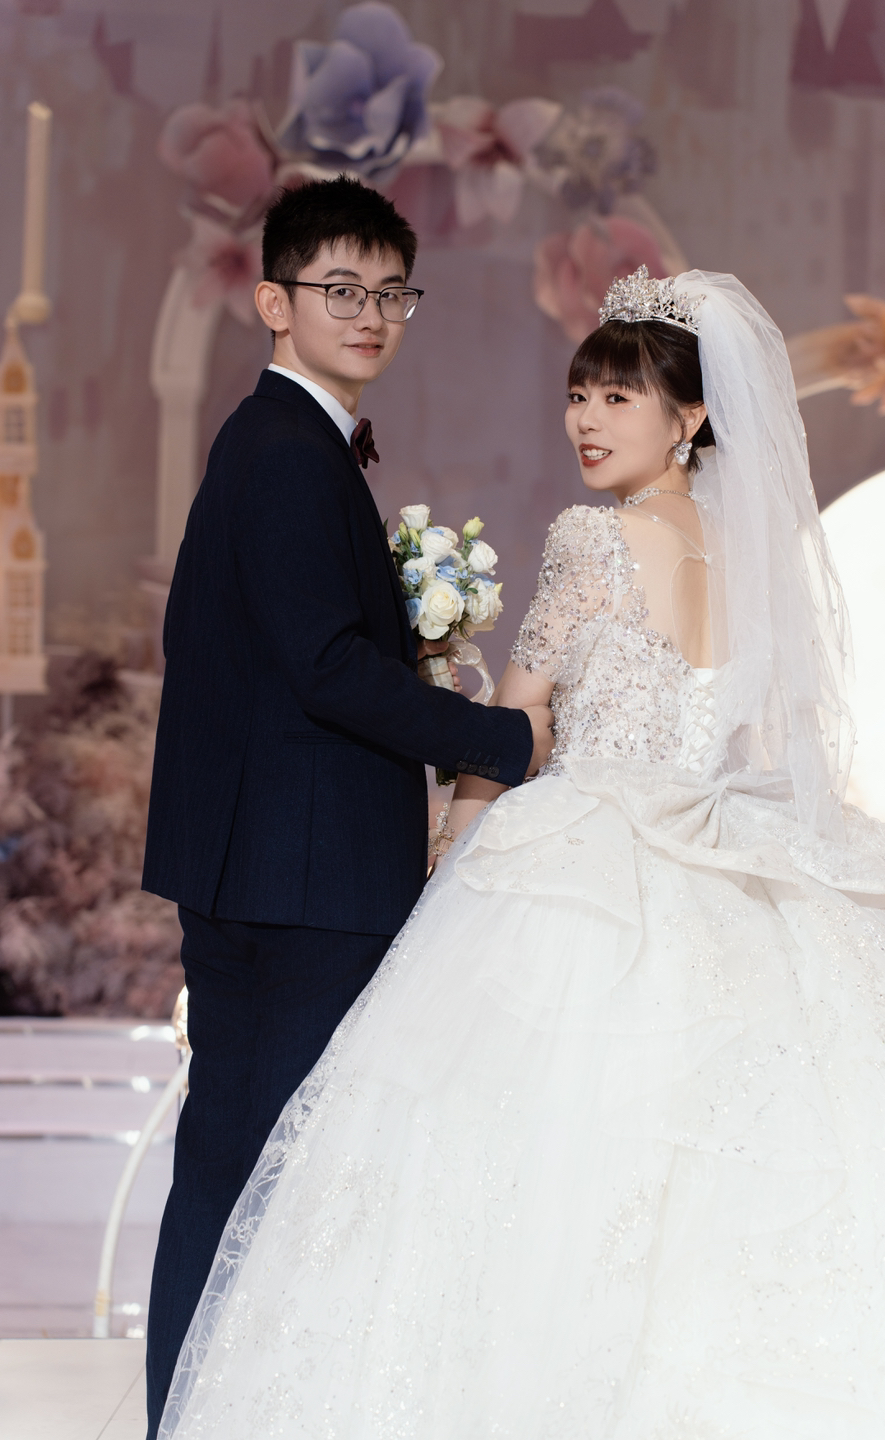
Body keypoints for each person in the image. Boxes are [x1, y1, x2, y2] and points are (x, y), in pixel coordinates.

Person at [157, 268, 885, 1439]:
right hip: (731, 868)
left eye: (618, 398)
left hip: (586, 867)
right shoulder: (758, 559)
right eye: (579, 394)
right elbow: (762, 743)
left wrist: (446, 853)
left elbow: (519, 722)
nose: (585, 418)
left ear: (690, 417)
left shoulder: (594, 540)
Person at [140, 176, 554, 1438]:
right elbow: (325, 669)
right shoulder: (284, 453)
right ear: (274, 302)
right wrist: (502, 738)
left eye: (390, 293)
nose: (369, 314)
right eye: (339, 289)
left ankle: (193, 1416)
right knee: (268, 1175)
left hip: (263, 863)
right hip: (301, 878)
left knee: (232, 1162)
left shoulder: (279, 443)